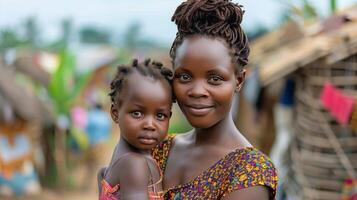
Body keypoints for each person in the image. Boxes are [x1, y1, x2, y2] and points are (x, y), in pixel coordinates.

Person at [151, 0, 278, 199]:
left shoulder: (249, 171)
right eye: (184, 77)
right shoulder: (158, 149)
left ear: (239, 80)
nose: (198, 91)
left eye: (215, 79)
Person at [98, 59, 173, 200]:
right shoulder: (135, 164)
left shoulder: (122, 155)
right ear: (115, 113)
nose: (150, 125)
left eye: (160, 115)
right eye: (137, 113)